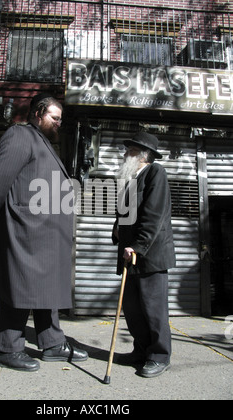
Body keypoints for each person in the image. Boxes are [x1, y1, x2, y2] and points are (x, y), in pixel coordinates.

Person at [0, 94, 88, 371]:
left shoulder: (42, 143)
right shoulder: (20, 135)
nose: (58, 124)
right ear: (39, 113)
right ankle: (8, 348)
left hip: (46, 233)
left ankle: (52, 343)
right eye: (55, 118)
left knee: (48, 288)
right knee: (18, 286)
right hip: (25, 230)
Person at [112, 132, 176, 378]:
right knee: (133, 309)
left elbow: (154, 215)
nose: (125, 153)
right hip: (130, 256)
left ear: (142, 155)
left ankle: (159, 355)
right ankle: (140, 351)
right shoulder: (130, 179)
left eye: (130, 150)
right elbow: (125, 215)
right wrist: (116, 229)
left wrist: (138, 246)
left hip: (149, 256)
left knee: (153, 309)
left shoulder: (155, 172)